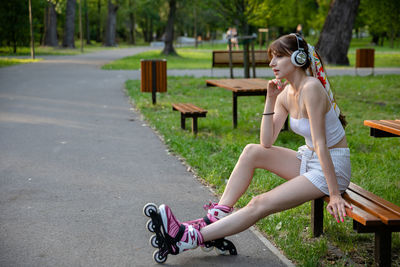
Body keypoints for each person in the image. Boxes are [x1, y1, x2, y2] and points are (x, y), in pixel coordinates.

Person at [157, 33, 353, 254]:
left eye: (279, 56)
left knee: (259, 202)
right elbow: (266, 142)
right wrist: (270, 98)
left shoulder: (311, 88)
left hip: (332, 169)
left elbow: (320, 143)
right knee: (252, 151)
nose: (271, 63)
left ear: (299, 58)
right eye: (272, 57)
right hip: (309, 159)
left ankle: (187, 239)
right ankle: (214, 218)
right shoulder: (286, 94)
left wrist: (335, 194)